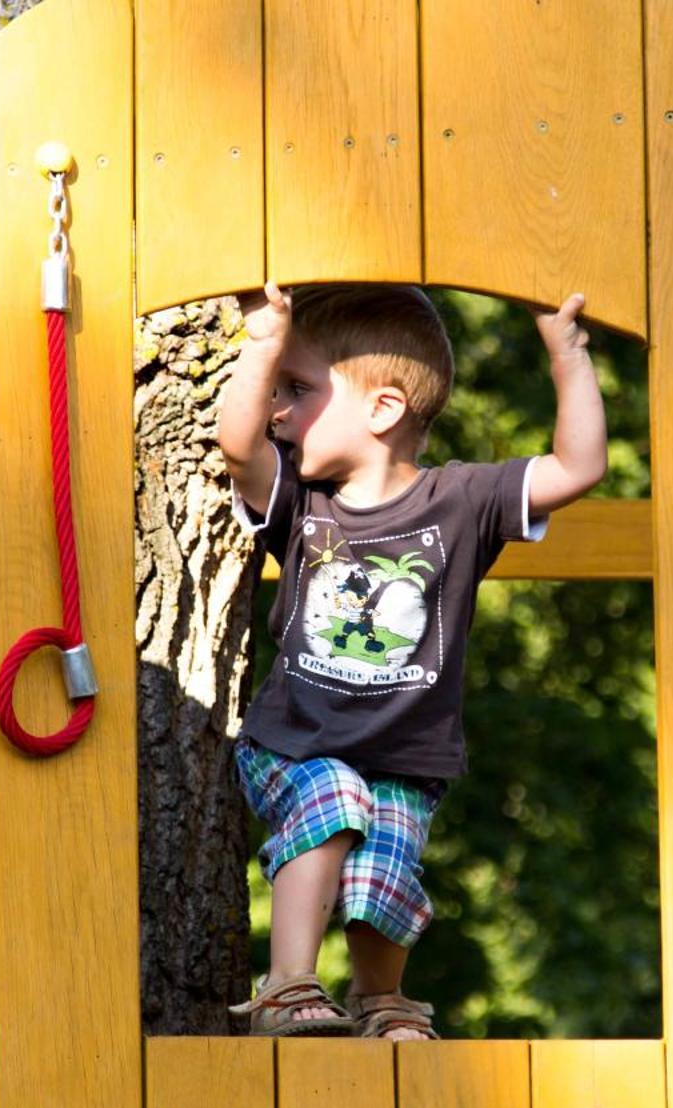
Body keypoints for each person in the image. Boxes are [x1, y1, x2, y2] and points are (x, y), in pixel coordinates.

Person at [216, 280, 606, 1039]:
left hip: (401, 758)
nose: (276, 409)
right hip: (293, 746)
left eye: (297, 388)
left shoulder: (462, 501)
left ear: (384, 409)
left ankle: (377, 997)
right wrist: (264, 345)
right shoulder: (301, 501)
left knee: (386, 852)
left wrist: (566, 355)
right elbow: (238, 445)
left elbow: (579, 465)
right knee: (334, 798)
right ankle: (287, 984)